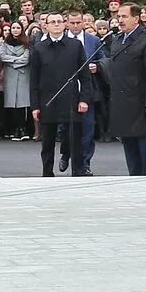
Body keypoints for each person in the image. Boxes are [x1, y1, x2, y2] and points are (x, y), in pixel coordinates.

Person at [100, 0, 146, 175]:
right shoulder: (117, 39)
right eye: (118, 16)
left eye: (124, 16)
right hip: (122, 101)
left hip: (141, 101)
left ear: (136, 19)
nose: (120, 20)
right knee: (129, 144)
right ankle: (134, 180)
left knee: (145, 146)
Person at [29, 13, 91, 176]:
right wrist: (35, 105)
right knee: (47, 142)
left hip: (71, 100)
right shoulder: (39, 48)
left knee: (74, 140)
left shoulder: (75, 45)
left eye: (59, 21)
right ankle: (47, 173)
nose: (56, 24)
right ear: (46, 26)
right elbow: (33, 80)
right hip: (47, 101)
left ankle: (78, 172)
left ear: (65, 25)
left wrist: (84, 99)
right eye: (52, 22)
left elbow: (85, 76)